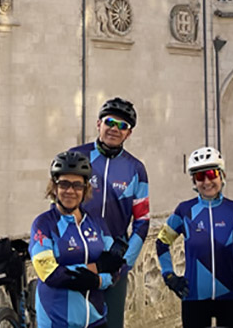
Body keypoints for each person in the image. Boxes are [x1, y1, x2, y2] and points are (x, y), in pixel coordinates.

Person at [71, 97, 149, 328]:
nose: (115, 129)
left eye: (122, 125)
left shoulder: (136, 169)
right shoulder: (76, 157)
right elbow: (59, 207)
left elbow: (142, 221)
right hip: (78, 255)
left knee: (112, 323)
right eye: (110, 122)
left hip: (115, 260)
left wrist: (124, 263)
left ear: (129, 133)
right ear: (98, 124)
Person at [156, 146, 233, 327]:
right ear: (194, 181)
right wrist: (169, 275)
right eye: (200, 176)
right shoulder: (184, 210)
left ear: (222, 175)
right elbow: (162, 242)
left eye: (211, 174)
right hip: (194, 298)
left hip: (231, 296)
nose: (207, 181)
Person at [30, 150, 122, 328]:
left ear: (85, 189)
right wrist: (97, 268)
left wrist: (97, 281)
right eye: (64, 184)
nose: (70, 191)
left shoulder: (96, 222)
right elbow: (49, 273)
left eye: (77, 185)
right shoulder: (43, 224)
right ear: (54, 187)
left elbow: (115, 267)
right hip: (57, 322)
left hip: (96, 319)